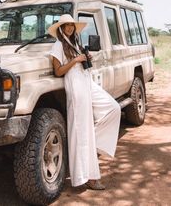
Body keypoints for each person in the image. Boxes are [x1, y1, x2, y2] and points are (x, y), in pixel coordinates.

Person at [48, 14, 121, 190]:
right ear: (61, 28)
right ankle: (86, 176)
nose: (70, 28)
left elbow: (82, 64)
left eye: (72, 25)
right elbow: (58, 71)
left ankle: (94, 144)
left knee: (113, 108)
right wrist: (75, 60)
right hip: (75, 85)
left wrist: (87, 59)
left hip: (86, 80)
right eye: (66, 26)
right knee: (81, 129)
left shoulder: (75, 43)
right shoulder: (58, 45)